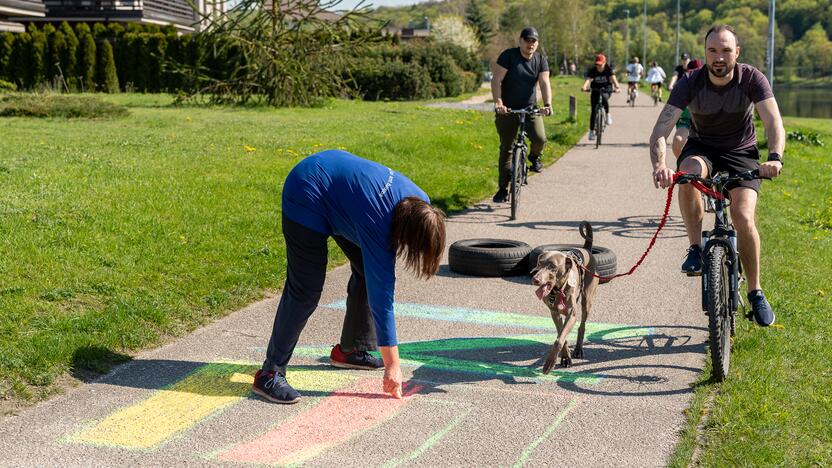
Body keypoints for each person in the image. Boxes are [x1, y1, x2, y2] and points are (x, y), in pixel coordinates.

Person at [252, 149, 447, 403]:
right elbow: (382, 297)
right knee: (306, 290)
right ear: (406, 233)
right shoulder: (380, 223)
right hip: (306, 189)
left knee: (366, 270)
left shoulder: (421, 202)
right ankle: (270, 372)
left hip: (339, 190)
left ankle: (350, 349)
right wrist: (393, 366)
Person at [648, 24, 785, 327]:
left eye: (726, 50)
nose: (719, 57)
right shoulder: (690, 82)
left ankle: (755, 291)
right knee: (687, 175)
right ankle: (696, 247)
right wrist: (660, 165)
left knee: (742, 215)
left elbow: (773, 121)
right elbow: (661, 129)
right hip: (703, 148)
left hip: (741, 152)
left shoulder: (751, 78)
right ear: (705, 53)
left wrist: (774, 157)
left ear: (737, 52)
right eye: (713, 51)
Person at [491, 26, 553, 203]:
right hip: (507, 110)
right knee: (507, 148)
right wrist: (498, 102)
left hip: (530, 108)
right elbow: (496, 79)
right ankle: (503, 189)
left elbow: (544, 83)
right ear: (520, 41)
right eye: (527, 40)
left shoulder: (541, 60)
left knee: (540, 138)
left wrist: (547, 104)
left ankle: (534, 156)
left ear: (537, 43)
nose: (530, 44)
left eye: (534, 41)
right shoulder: (508, 56)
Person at [581, 53, 621, 141]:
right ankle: (591, 131)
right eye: (597, 64)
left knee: (603, 97)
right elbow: (588, 80)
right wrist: (584, 86)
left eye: (600, 64)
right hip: (595, 89)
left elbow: (613, 78)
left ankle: (607, 114)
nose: (598, 66)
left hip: (606, 89)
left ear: (604, 63)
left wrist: (617, 87)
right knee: (593, 111)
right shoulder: (593, 70)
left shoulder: (608, 69)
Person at [672, 59, 703, 158]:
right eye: (692, 73)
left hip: (704, 123)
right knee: (678, 141)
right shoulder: (682, 85)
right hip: (686, 120)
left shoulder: (709, 85)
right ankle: (682, 164)